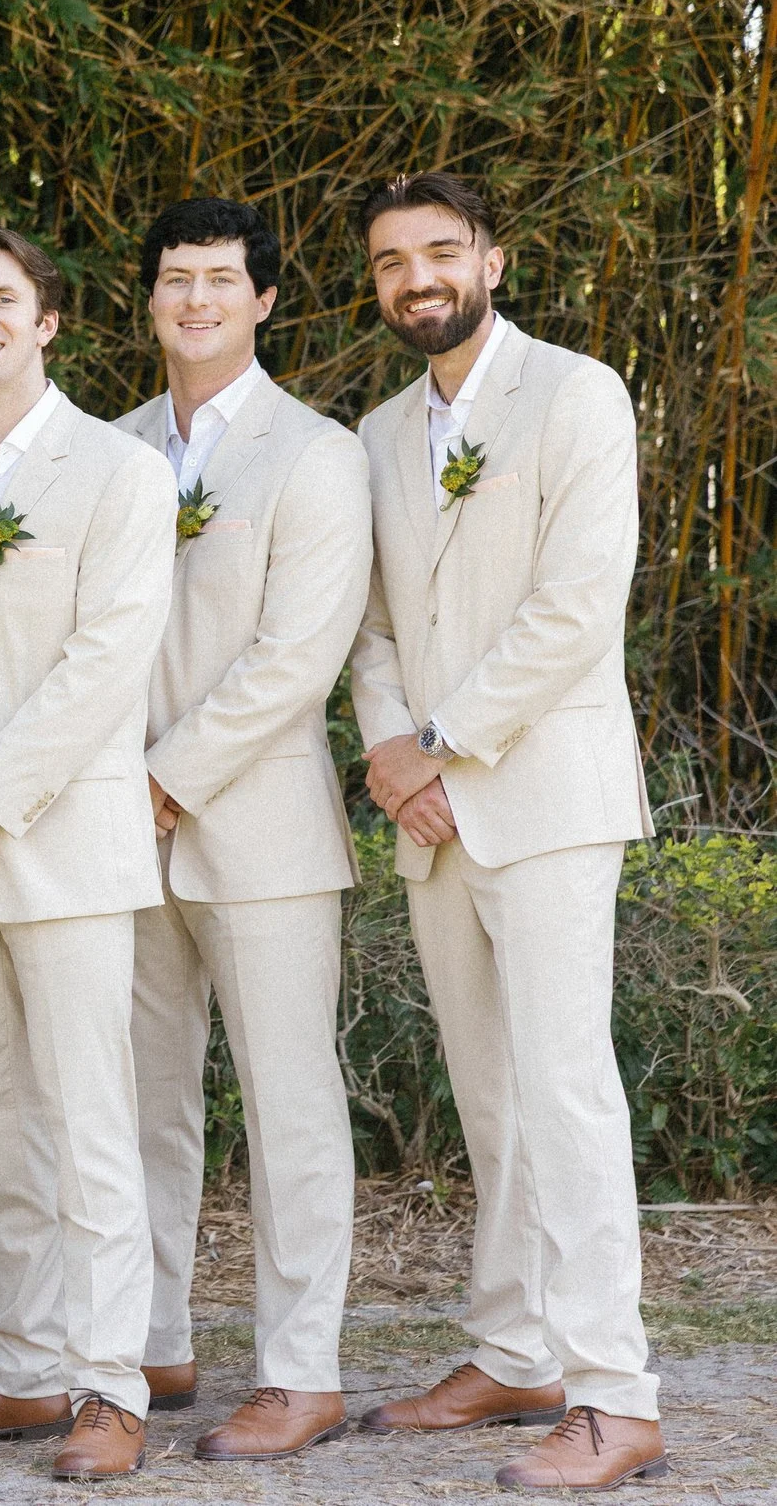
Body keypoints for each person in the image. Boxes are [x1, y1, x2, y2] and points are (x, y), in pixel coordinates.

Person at [346, 171, 666, 1492]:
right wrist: (385, 748)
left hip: (541, 793)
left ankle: (617, 1390)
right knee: (491, 1093)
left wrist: (443, 741)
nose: (415, 275)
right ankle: (519, 1343)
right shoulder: (371, 433)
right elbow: (365, 622)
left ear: (492, 257)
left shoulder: (577, 393)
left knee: (565, 1085)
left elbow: (578, 605)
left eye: (438, 250)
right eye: (388, 260)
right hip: (431, 810)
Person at [0, 226, 173, 1480]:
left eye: (4, 298)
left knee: (89, 1117)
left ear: (48, 320)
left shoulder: (117, 470)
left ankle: (110, 1379)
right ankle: (19, 1361)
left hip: (60, 842)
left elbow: (104, 666)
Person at [113, 199, 369, 1459]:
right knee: (139, 1094)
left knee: (287, 1096)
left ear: (264, 300)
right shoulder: (103, 449)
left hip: (256, 826)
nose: (196, 299)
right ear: (149, 298)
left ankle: (299, 1366)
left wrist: (163, 779)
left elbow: (296, 658)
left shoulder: (315, 452)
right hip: (113, 830)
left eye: (220, 279)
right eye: (175, 278)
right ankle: (151, 1336)